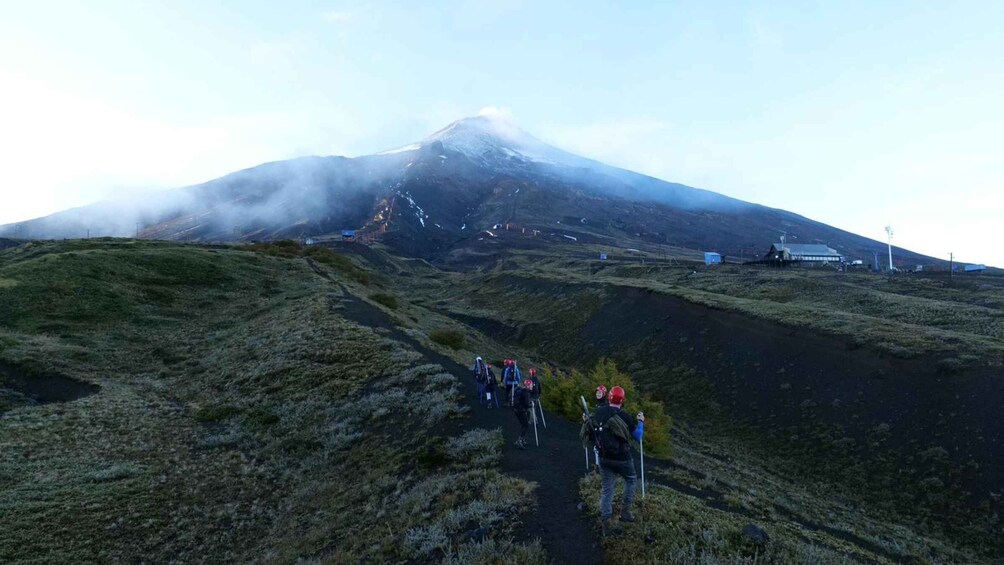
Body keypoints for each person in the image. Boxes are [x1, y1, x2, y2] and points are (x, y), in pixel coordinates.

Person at [581, 385, 644, 535]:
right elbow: (638, 436)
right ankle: (625, 512)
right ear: (622, 400)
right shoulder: (625, 416)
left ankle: (606, 521)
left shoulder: (598, 413)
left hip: (603, 457)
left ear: (608, 398)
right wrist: (641, 421)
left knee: (607, 489)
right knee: (631, 480)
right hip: (622, 458)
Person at [512, 378, 534, 449]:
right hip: (521, 410)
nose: (532, 386)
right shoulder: (526, 393)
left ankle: (521, 439)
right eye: (531, 385)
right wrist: (532, 405)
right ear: (528, 385)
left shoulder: (521, 390)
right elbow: (527, 404)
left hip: (516, 410)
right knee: (525, 425)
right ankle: (520, 440)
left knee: (523, 424)